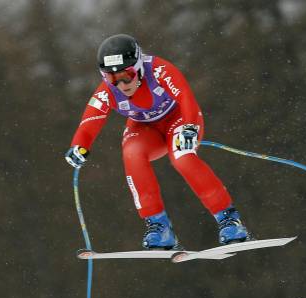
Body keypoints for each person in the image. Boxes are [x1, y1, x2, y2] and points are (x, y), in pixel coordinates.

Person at [65, 34, 250, 250]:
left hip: (180, 118)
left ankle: (229, 219)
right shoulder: (107, 91)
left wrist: (189, 127)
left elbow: (185, 97)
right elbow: (90, 121)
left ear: (139, 66)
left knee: (182, 158)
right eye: (112, 78)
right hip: (145, 128)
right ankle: (159, 227)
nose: (121, 84)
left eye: (127, 75)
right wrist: (79, 146)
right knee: (132, 153)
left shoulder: (159, 70)